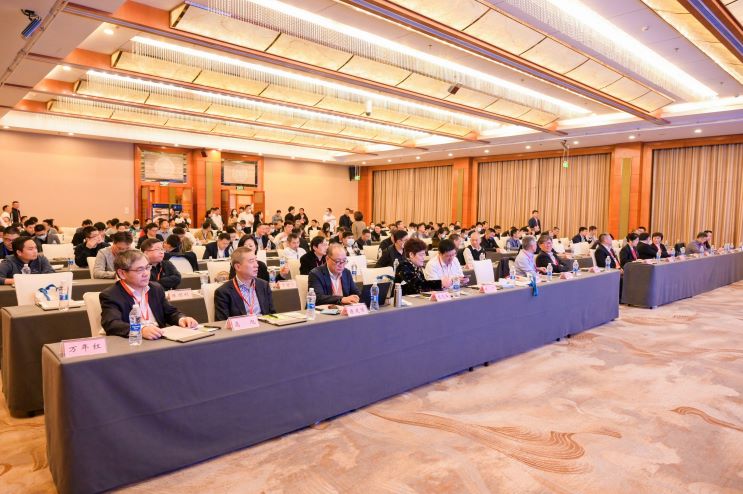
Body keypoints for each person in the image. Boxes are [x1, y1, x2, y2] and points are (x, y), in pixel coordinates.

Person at [99, 250, 198, 339]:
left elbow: (170, 312)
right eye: (140, 270)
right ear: (122, 273)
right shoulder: (111, 295)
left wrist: (181, 319)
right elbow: (112, 324)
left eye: (147, 267)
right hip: (134, 342)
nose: (146, 273)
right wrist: (140, 330)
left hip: (159, 338)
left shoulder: (155, 288)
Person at [214, 247, 275, 320]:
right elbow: (222, 323)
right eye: (251, 261)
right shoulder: (223, 292)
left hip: (264, 325)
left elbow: (272, 314)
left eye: (256, 260)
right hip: (241, 327)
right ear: (238, 267)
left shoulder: (264, 285)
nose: (256, 265)